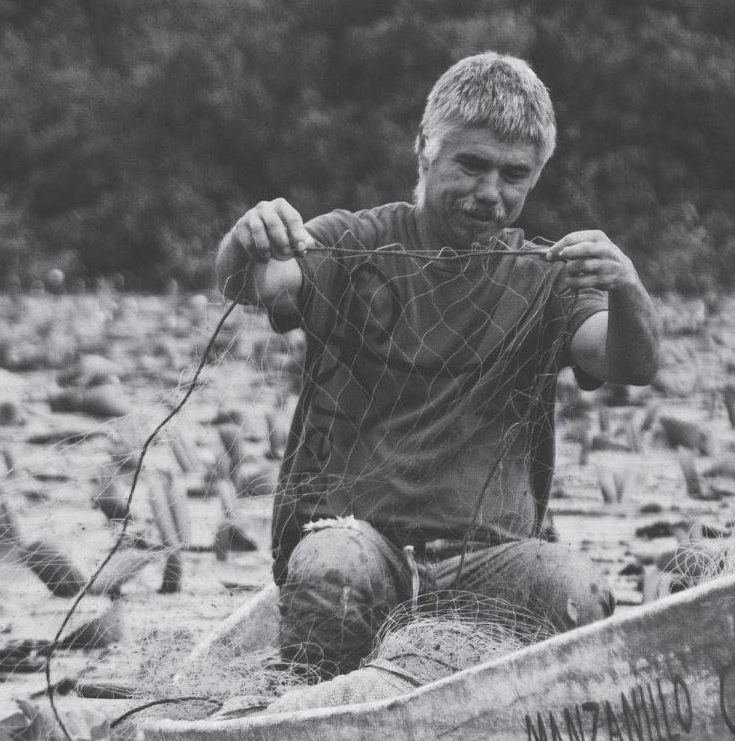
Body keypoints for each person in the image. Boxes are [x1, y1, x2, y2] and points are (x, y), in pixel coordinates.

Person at [215, 51, 660, 681]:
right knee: (331, 572)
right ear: (425, 150)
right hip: (360, 545)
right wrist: (249, 238)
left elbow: (626, 362)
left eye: (514, 175)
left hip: (491, 558)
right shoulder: (353, 242)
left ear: (536, 176)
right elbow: (256, 284)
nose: (490, 193)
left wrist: (628, 287)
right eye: (472, 165)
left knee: (578, 593)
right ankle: (320, 695)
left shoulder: (546, 278)